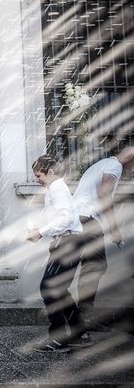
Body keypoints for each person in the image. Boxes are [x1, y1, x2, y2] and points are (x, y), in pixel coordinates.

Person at [28, 155, 91, 353]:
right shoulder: (53, 190)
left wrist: (40, 232)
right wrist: (40, 228)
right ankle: (79, 333)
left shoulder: (57, 189)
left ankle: (59, 336)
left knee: (49, 287)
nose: (36, 179)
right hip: (66, 242)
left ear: (51, 172)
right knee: (59, 289)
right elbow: (57, 216)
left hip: (67, 243)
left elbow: (66, 218)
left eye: (39, 175)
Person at [72, 147, 134, 329]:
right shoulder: (115, 166)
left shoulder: (102, 164)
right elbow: (104, 195)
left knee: (91, 266)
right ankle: (83, 318)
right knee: (95, 266)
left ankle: (82, 316)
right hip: (89, 220)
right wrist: (114, 230)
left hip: (77, 219)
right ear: (130, 158)